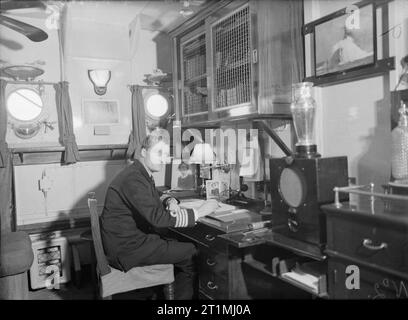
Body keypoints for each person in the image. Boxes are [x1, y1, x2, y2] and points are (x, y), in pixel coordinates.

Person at [100, 129, 219, 299]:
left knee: (179, 242)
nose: (164, 159)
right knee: (191, 251)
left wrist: (168, 200)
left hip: (127, 242)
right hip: (128, 249)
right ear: (143, 152)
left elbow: (152, 194)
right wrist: (199, 212)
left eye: (166, 154)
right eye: (159, 153)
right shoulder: (134, 178)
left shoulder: (138, 173)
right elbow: (158, 219)